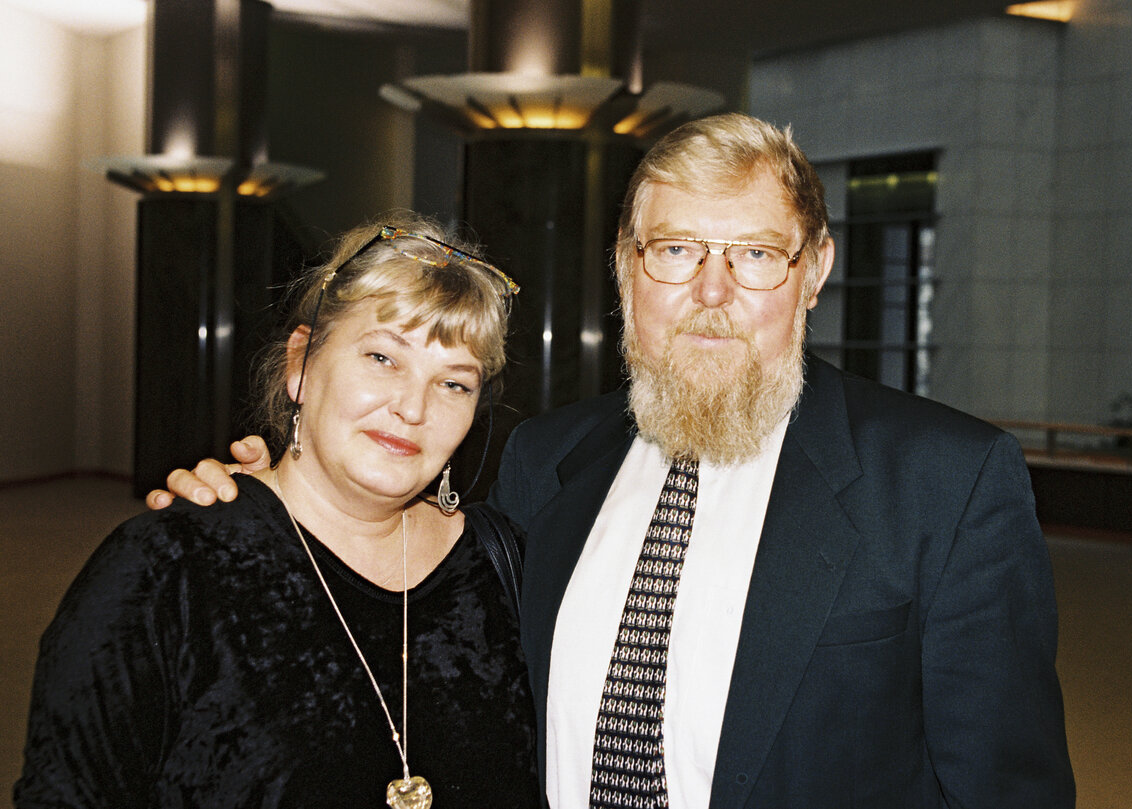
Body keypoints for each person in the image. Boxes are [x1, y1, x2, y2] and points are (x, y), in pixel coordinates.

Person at [149, 114, 1076, 808]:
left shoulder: (946, 483)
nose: (711, 293)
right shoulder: (543, 461)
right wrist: (267, 513)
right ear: (626, 270)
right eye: (675, 250)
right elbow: (408, 636)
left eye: (755, 254)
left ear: (816, 270)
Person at [15, 215, 540, 809]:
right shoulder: (165, 568)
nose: (412, 408)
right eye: (382, 358)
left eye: (454, 384)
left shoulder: (506, 568)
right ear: (301, 364)